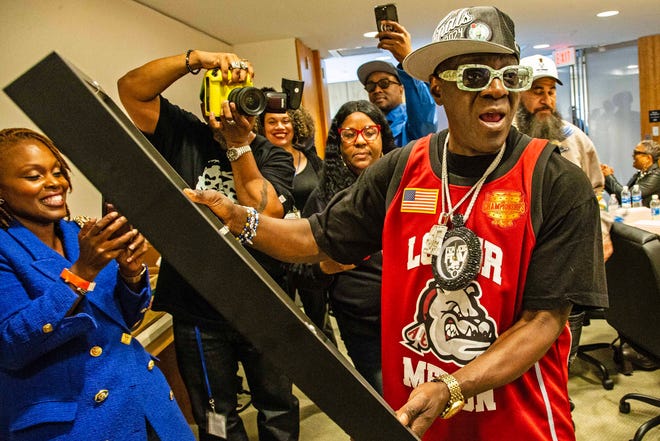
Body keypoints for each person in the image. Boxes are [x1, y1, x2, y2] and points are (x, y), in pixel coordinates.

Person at [183, 6, 608, 440]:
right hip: (418, 418)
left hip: (519, 424)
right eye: (475, 76)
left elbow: (544, 321)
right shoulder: (401, 168)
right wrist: (241, 220)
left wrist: (452, 386)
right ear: (437, 89)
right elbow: (317, 238)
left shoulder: (557, 182)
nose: (496, 92)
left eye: (509, 76)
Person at [117, 50, 299, 441]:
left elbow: (258, 212)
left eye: (241, 100)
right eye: (223, 99)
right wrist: (196, 59)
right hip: (197, 305)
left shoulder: (275, 157)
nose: (232, 110)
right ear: (206, 104)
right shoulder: (183, 135)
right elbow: (130, 90)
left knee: (278, 405)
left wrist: (238, 145)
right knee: (215, 413)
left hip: (263, 303)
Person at [0, 128, 195, 441]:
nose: (55, 182)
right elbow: (10, 346)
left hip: (142, 397)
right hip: (79, 421)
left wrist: (131, 273)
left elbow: (124, 320)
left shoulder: (77, 234)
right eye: (34, 175)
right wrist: (82, 272)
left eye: (58, 171)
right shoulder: (6, 250)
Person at [291, 100, 396, 394]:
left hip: (416, 319)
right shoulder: (323, 199)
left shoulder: (409, 186)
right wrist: (327, 266)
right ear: (339, 144)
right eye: (349, 134)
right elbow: (300, 271)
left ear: (382, 138)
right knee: (383, 403)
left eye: (368, 132)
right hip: (363, 324)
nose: (360, 141)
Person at [255, 103, 336, 343]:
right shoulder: (257, 162)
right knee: (282, 319)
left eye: (286, 121)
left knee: (319, 319)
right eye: (272, 122)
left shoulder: (313, 160)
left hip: (309, 248)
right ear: (261, 126)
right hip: (273, 252)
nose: (280, 127)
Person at [516, 54, 605, 193]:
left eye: (551, 92)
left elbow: (595, 190)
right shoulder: (502, 137)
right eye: (538, 92)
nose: (547, 100)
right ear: (517, 94)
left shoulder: (575, 138)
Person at [357, 20, 437, 147]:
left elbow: (423, 116)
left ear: (401, 88)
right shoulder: (364, 129)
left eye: (384, 83)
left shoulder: (409, 124)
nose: (377, 90)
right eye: (371, 86)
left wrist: (407, 59)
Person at [602, 140, 660, 207]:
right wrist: (605, 176)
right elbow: (621, 196)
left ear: (648, 158)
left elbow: (628, 197)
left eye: (636, 153)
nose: (633, 155)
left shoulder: (656, 175)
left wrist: (608, 176)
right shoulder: (640, 173)